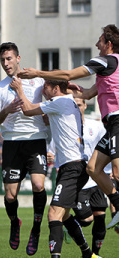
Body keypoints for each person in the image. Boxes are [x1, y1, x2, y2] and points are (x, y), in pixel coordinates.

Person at [17, 24, 119, 229]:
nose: (96, 44)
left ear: (108, 44)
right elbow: (89, 94)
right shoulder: (107, 70)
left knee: (117, 172)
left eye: (99, 40)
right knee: (92, 168)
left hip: (118, 120)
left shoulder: (106, 60)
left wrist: (38, 72)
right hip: (111, 124)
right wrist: (75, 91)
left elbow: (70, 74)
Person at [11, 77, 98, 258]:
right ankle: (87, 254)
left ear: (56, 88)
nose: (43, 92)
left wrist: (19, 90)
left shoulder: (59, 101)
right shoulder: (68, 101)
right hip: (75, 166)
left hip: (72, 167)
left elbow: (27, 109)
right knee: (65, 215)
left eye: (46, 89)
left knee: (53, 215)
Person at [0, 42, 48, 256]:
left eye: (9, 59)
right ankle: (15, 222)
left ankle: (37, 228)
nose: (6, 63)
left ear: (18, 58)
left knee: (39, 185)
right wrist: (6, 110)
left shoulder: (37, 81)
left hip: (36, 140)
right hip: (12, 143)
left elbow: (53, 98)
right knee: (11, 196)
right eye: (3, 60)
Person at [48, 98, 110, 258]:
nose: (77, 107)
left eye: (80, 104)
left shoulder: (95, 126)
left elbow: (106, 147)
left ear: (84, 106)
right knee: (86, 219)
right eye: (75, 103)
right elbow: (51, 149)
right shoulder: (64, 124)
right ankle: (77, 241)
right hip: (76, 175)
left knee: (100, 218)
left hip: (95, 177)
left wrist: (109, 171)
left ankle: (94, 256)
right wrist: (50, 155)